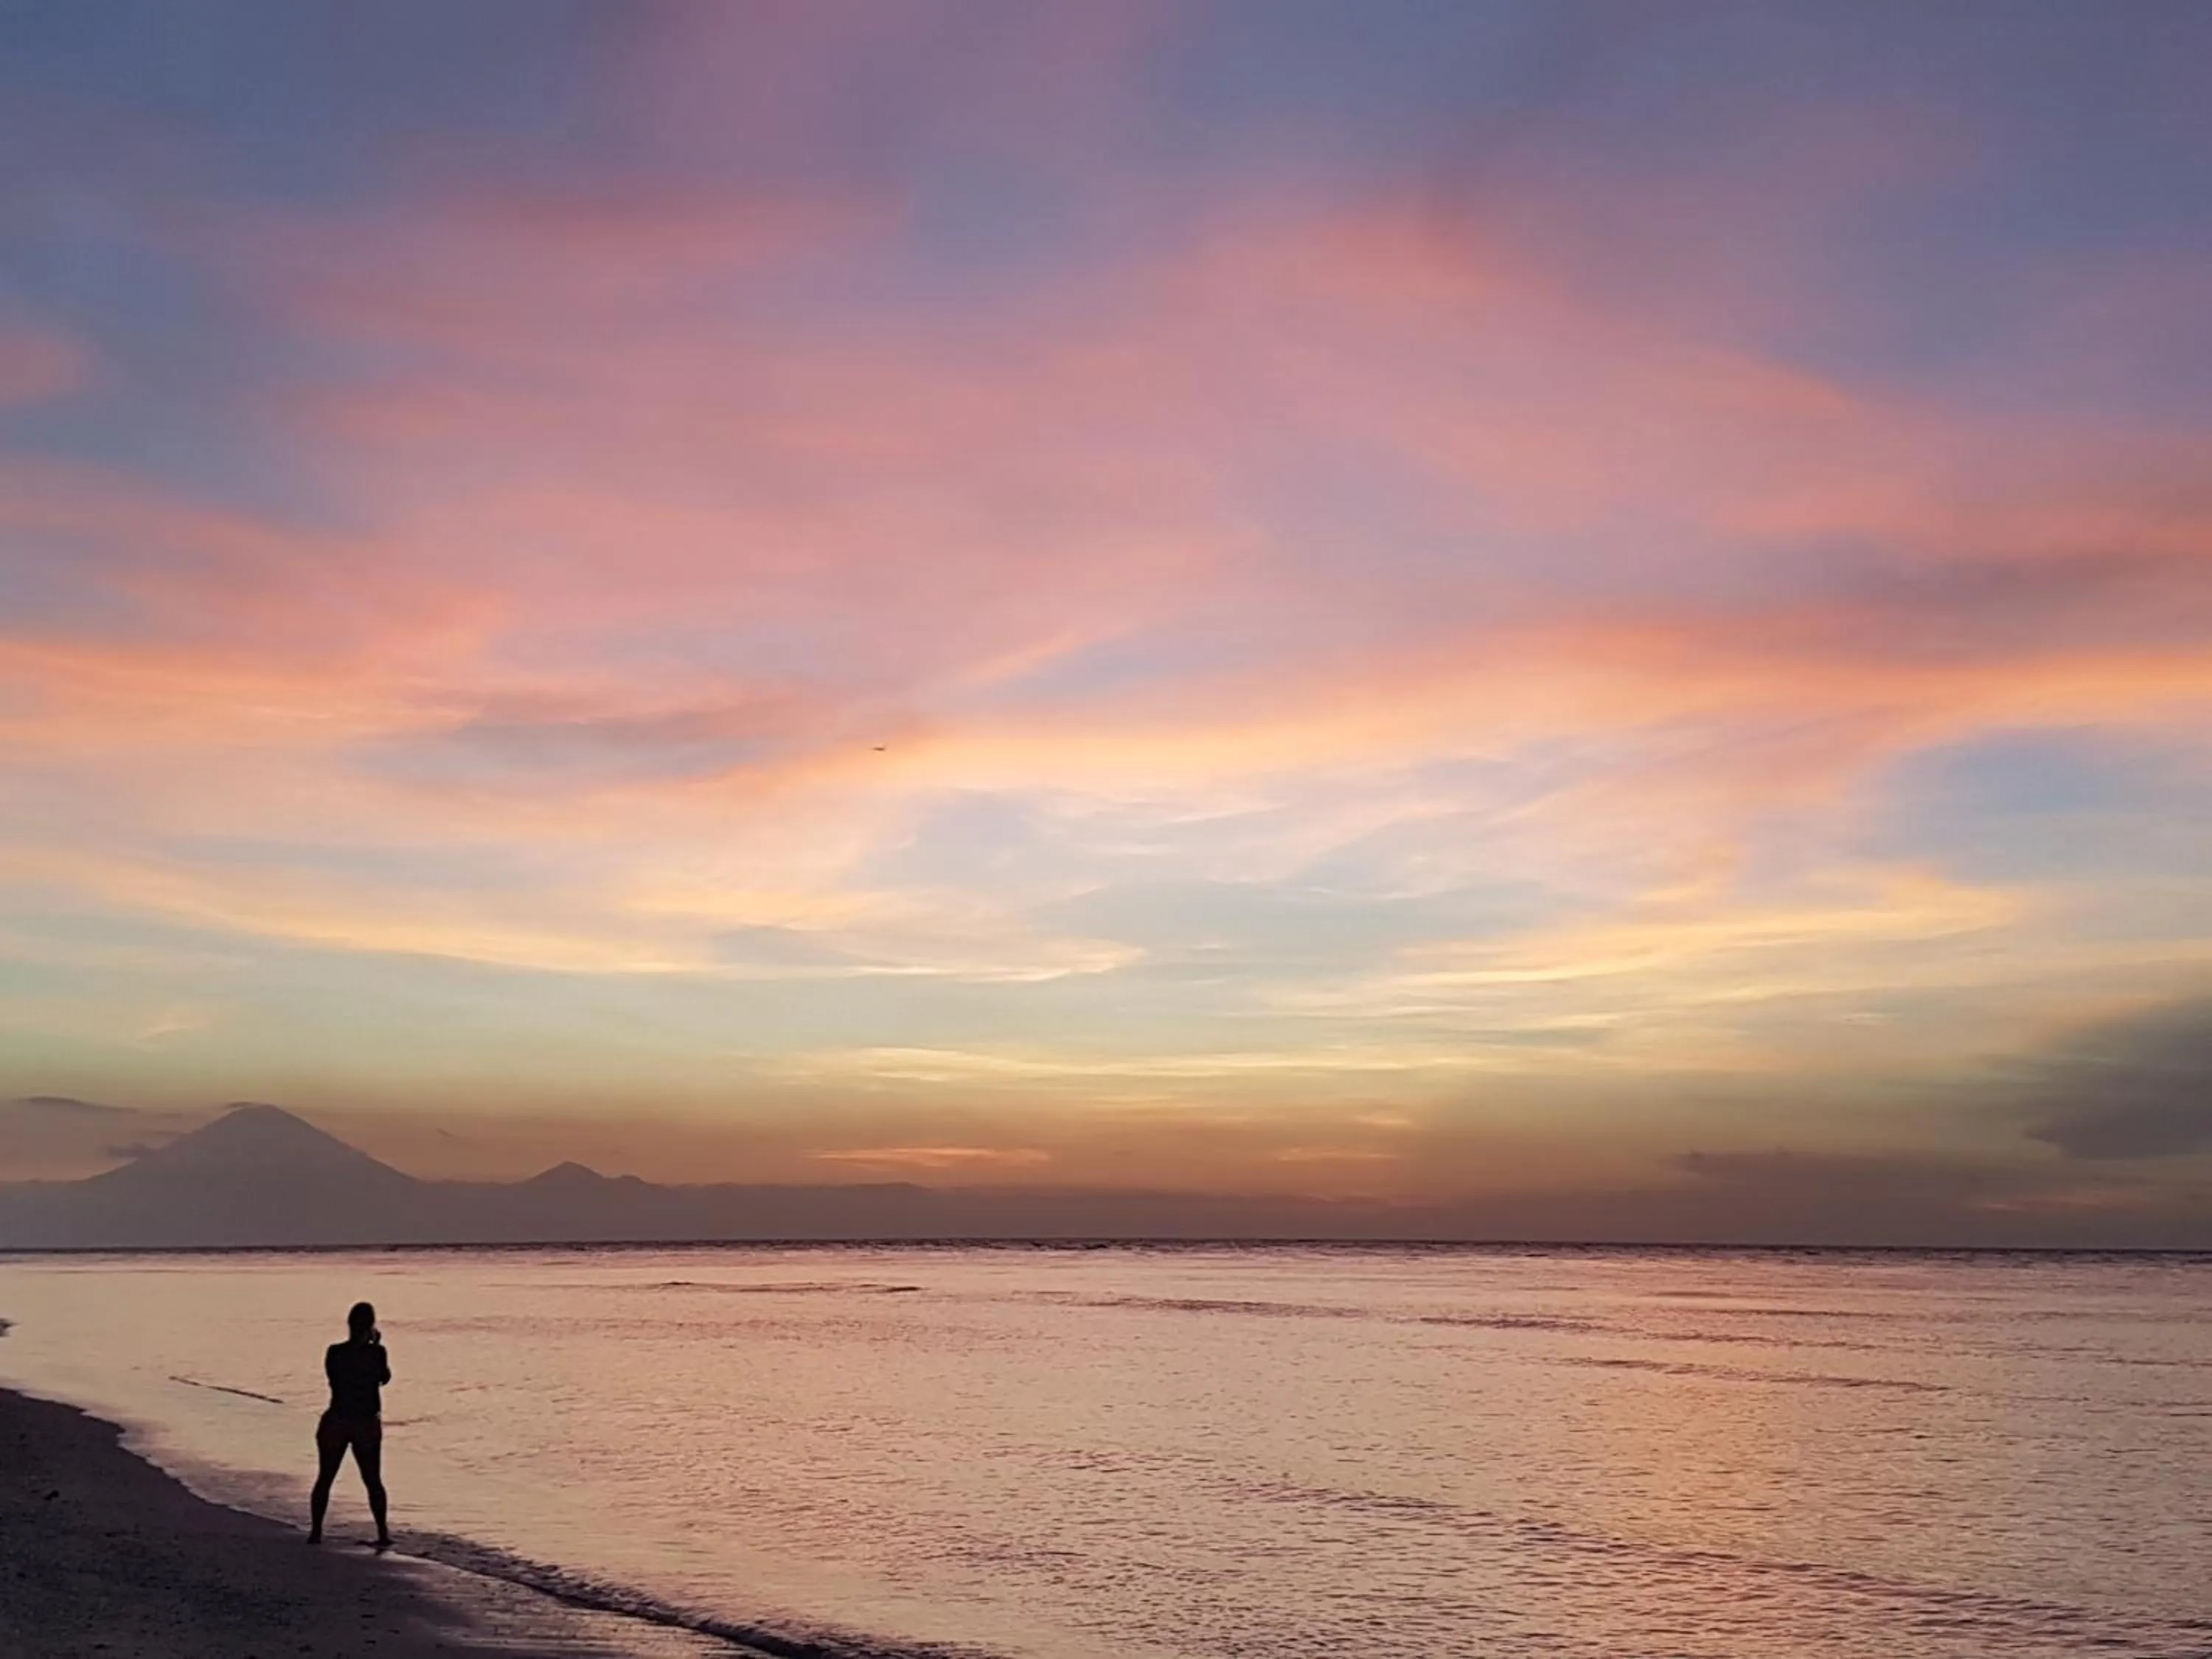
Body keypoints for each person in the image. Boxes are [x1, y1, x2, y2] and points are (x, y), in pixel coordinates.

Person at [308, 1300, 391, 1548]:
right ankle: (383, 1533)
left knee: (325, 1477)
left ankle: (316, 1532)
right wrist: (374, 1345)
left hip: (337, 1418)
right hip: (364, 1421)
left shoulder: (335, 1352)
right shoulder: (377, 1353)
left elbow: (334, 1380)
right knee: (373, 1480)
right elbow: (383, 1378)